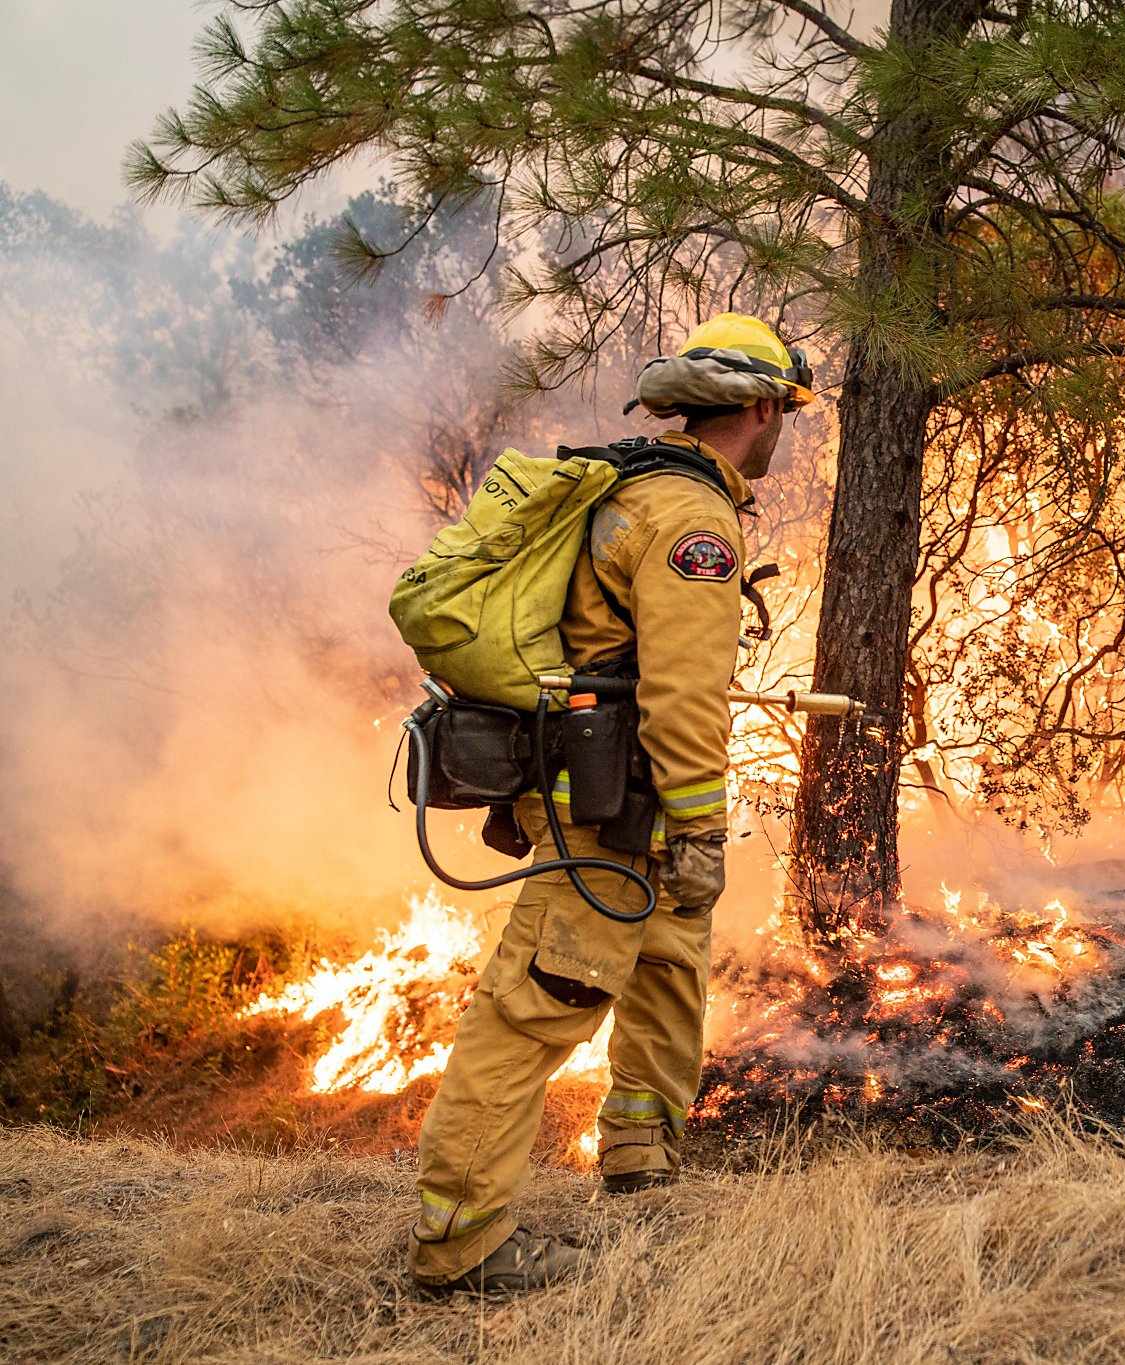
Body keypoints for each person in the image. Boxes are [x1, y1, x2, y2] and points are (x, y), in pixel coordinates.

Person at [408, 313, 814, 1294]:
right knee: (540, 1006)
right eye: (782, 413)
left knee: (668, 962)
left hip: (614, 788)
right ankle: (456, 1246)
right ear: (758, 408)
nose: (782, 430)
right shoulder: (695, 525)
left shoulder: (637, 485)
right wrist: (701, 828)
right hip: (613, 802)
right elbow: (678, 695)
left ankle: (640, 1160)